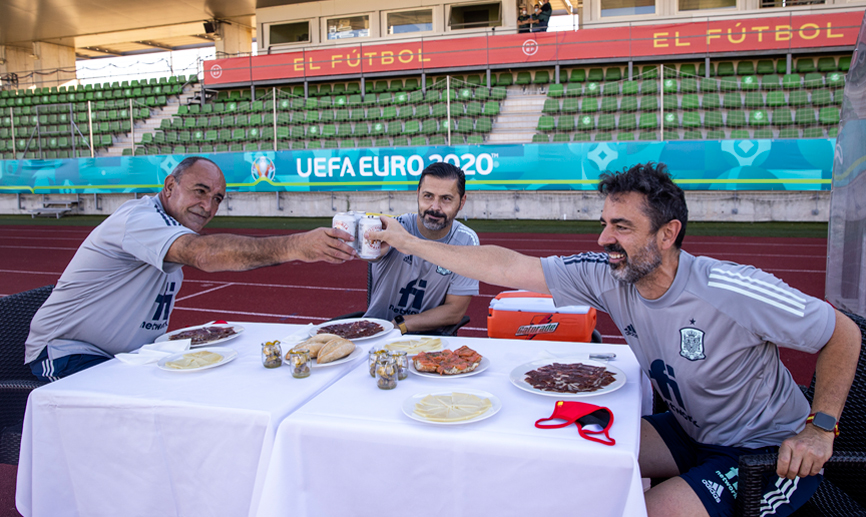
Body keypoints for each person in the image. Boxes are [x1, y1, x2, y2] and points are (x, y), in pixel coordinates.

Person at [371, 162, 861, 517]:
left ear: (667, 233)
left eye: (621, 227)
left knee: (643, 513)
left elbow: (842, 332)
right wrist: (409, 241)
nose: (604, 239)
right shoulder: (608, 275)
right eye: (604, 224)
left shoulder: (732, 289)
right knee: (567, 459)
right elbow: (508, 266)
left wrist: (820, 428)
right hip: (689, 431)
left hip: (763, 451)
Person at [26, 156, 356, 381]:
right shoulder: (138, 219)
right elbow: (204, 254)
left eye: (217, 199)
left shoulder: (168, 229)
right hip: (68, 355)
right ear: (170, 186)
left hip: (126, 360)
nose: (208, 206)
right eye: (200, 191)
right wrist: (296, 245)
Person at [362, 162, 479, 335]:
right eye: (428, 196)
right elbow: (366, 252)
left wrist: (399, 326)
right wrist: (371, 250)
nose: (435, 207)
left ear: (462, 202)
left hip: (429, 341)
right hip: (375, 334)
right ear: (417, 194)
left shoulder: (467, 241)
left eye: (446, 199)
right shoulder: (392, 228)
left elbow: (454, 311)